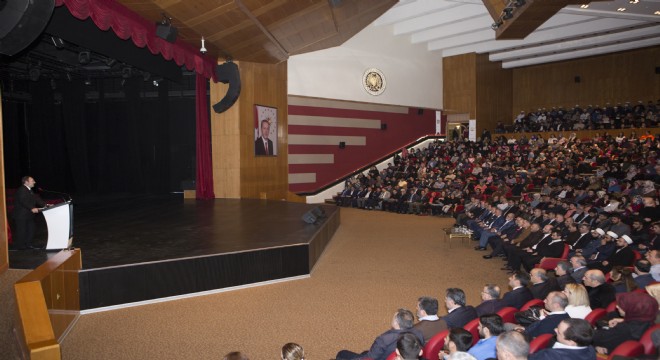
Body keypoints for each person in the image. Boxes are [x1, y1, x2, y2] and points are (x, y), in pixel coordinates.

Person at [336, 309, 424, 360]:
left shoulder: (385, 339)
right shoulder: (418, 334)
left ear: (397, 323)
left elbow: (369, 358)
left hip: (377, 357)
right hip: (383, 354)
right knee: (364, 352)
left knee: (342, 354)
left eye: (393, 318)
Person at [592, 292, 659, 355]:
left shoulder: (624, 329)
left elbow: (594, 338)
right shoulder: (648, 320)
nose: (617, 307)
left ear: (633, 309)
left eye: (621, 306)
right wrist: (624, 320)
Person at [529, 318, 596, 360]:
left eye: (559, 332)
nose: (555, 330)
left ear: (571, 342)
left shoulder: (550, 355)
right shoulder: (590, 349)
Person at [12, 176, 46, 250]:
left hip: (28, 215)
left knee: (31, 229)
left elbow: (36, 199)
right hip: (21, 215)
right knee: (22, 231)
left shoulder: (29, 190)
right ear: (26, 182)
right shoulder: (22, 190)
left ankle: (28, 244)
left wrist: (45, 205)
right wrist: (32, 208)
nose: (34, 182)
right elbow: (23, 201)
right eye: (32, 181)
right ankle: (21, 247)